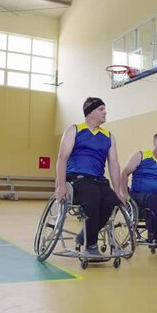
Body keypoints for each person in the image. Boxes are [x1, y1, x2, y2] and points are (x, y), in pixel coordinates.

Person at [55, 97, 124, 256]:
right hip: (77, 178)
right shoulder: (74, 130)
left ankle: (83, 235)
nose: (105, 112)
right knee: (92, 198)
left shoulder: (108, 136)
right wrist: (61, 185)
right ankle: (91, 245)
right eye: (101, 109)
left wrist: (118, 190)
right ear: (90, 112)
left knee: (111, 200)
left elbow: (113, 164)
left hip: (98, 180)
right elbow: (62, 158)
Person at [121, 132, 157, 244]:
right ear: (155, 142)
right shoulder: (141, 155)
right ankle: (153, 234)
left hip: (156, 196)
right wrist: (124, 194)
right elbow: (124, 173)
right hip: (138, 195)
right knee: (154, 199)